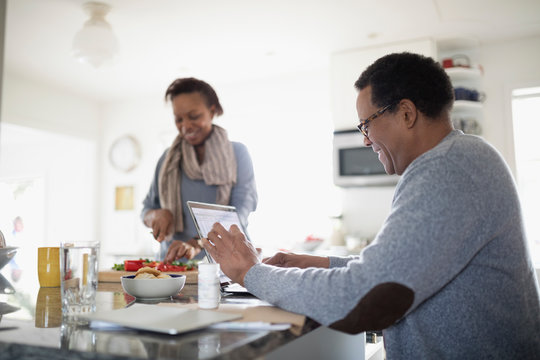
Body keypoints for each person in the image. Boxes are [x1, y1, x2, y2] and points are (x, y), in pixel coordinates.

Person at [202, 53, 540, 358]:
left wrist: (251, 272)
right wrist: (318, 262)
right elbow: (403, 268)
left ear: (406, 113)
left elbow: (365, 296)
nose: (365, 139)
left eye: (367, 124)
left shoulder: (445, 168)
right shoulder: (463, 157)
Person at [142, 77, 258, 263]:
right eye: (179, 119)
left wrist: (197, 243)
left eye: (194, 116)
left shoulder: (237, 153)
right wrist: (156, 215)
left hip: (228, 267)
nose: (186, 126)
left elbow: (239, 214)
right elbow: (146, 210)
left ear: (211, 112)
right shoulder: (167, 160)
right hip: (173, 267)